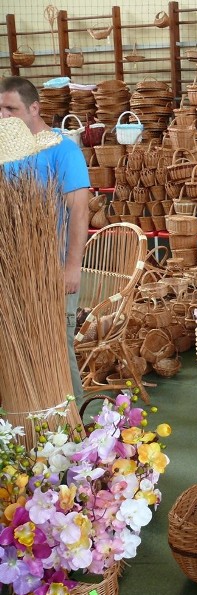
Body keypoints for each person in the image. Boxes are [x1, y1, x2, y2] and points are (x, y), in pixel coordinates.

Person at [0, 77, 90, 403]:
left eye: (11, 108)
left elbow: (79, 210)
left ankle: (76, 425)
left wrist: (72, 267)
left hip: (53, 268)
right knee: (14, 345)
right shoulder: (6, 151)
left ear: (34, 108)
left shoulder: (63, 149)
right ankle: (24, 418)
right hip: (12, 269)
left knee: (56, 345)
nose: (3, 116)